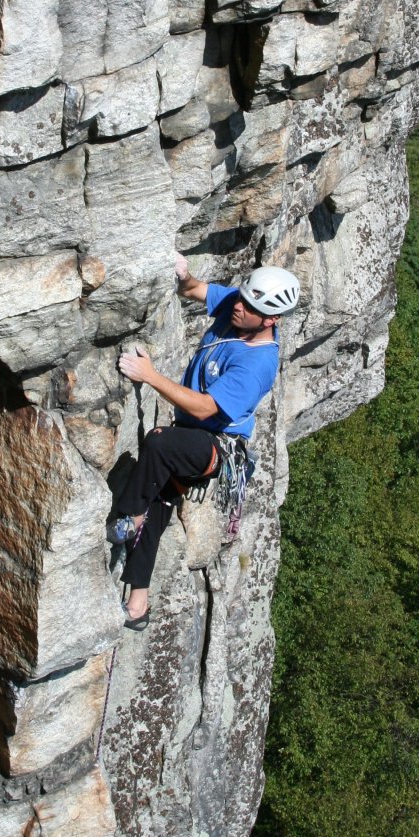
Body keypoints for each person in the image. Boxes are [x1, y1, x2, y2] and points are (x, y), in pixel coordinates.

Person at [108, 255, 300, 629]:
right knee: (159, 499)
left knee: (160, 444)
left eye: (250, 307)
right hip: (191, 434)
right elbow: (194, 289)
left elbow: (203, 408)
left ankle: (128, 515)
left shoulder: (258, 364)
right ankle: (138, 604)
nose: (239, 308)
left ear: (271, 319)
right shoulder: (240, 304)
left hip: (216, 444)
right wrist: (184, 274)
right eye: (241, 299)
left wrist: (149, 375)